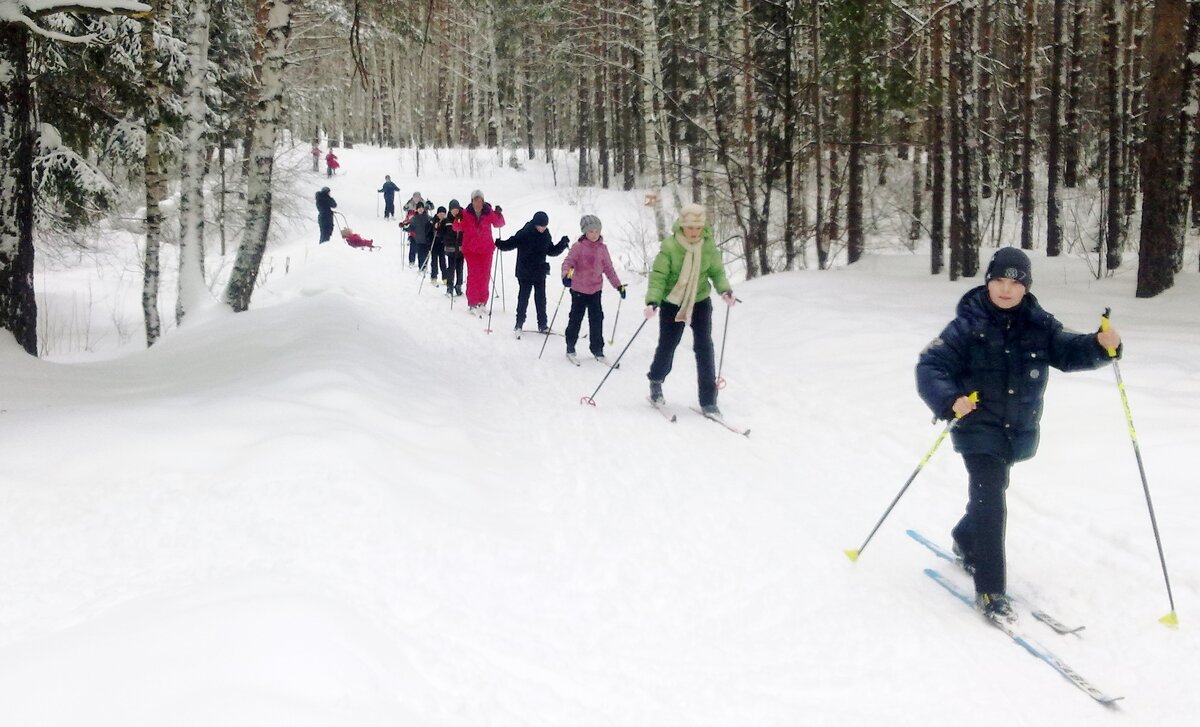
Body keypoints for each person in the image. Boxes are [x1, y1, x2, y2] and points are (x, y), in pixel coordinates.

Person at [915, 247, 1122, 622]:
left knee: (989, 495)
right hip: (977, 426)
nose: (1006, 290)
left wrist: (1100, 346)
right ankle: (990, 591)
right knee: (991, 502)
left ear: (1026, 287)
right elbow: (930, 365)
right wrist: (950, 399)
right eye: (998, 281)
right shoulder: (968, 325)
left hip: (1015, 430)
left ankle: (966, 539)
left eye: (1014, 283)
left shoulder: (1039, 325)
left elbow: (1068, 351)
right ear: (988, 282)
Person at [644, 203, 734, 414]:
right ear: (682, 226)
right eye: (690, 227)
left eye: (698, 227)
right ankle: (656, 380)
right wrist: (653, 301)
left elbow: (717, 271)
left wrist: (724, 290)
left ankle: (708, 400)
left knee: (704, 347)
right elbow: (659, 276)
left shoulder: (708, 246)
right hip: (672, 302)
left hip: (700, 300)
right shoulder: (670, 247)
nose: (694, 232)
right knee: (668, 345)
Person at [561, 215, 624, 363]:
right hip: (578, 290)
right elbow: (568, 263)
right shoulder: (578, 247)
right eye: (591, 231)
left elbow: (609, 269)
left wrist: (618, 286)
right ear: (585, 232)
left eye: (597, 231)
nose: (594, 234)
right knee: (575, 318)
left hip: (595, 290)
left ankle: (597, 349)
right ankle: (570, 346)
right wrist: (566, 275)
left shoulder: (602, 249)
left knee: (597, 319)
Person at [495, 211, 570, 335]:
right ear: (535, 223)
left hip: (539, 272)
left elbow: (551, 251)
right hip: (525, 272)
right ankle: (519, 324)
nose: (542, 228)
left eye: (544, 226)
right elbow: (512, 243)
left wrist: (562, 244)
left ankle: (543, 325)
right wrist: (501, 244)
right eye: (540, 226)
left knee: (541, 300)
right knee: (523, 298)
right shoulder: (525, 232)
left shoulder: (546, 234)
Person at [453, 189, 505, 313]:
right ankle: (473, 302)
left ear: (483, 200)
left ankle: (482, 301)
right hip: (471, 249)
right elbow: (456, 226)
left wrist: (499, 214)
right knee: (474, 274)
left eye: (480, 200)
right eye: (476, 200)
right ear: (472, 201)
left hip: (486, 249)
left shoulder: (488, 212)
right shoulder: (465, 213)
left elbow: (499, 223)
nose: (478, 203)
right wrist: (458, 217)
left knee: (485, 275)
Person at [440, 200, 465, 296]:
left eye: (457, 210)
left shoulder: (462, 219)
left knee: (460, 268)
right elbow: (441, 233)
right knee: (451, 268)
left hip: (461, 248)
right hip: (451, 249)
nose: (455, 212)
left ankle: (458, 285)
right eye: (453, 210)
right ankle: (449, 287)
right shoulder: (446, 220)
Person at [406, 202, 434, 271]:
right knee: (420, 254)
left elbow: (433, 223)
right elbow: (411, 227)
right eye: (419, 208)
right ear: (416, 209)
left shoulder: (427, 217)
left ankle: (424, 266)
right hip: (418, 239)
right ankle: (420, 267)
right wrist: (405, 228)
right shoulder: (414, 218)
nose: (421, 210)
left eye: (422, 208)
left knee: (426, 254)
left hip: (427, 239)